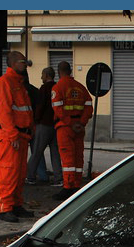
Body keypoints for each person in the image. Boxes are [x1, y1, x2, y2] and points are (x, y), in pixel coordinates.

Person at [0, 50, 35, 222]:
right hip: (12, 135)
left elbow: (23, 110)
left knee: (19, 173)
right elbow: (3, 112)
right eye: (23, 62)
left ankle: (15, 205)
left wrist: (30, 128)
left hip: (20, 135)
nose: (25, 65)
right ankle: (5, 208)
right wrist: (12, 135)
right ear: (13, 63)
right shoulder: (5, 83)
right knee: (8, 172)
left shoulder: (18, 84)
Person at [50, 60, 93, 200]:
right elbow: (88, 107)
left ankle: (68, 187)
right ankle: (77, 185)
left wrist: (70, 123)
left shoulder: (58, 88)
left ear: (59, 72)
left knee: (67, 158)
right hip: (79, 127)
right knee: (78, 157)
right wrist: (81, 122)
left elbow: (57, 109)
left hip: (65, 127)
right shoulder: (81, 87)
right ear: (70, 71)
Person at [26, 66, 62, 186]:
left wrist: (36, 121)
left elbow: (40, 106)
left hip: (44, 124)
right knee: (55, 153)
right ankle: (58, 178)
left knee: (36, 152)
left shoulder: (44, 88)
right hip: (56, 125)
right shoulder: (58, 88)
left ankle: (30, 176)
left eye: (42, 75)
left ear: (46, 76)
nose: (41, 77)